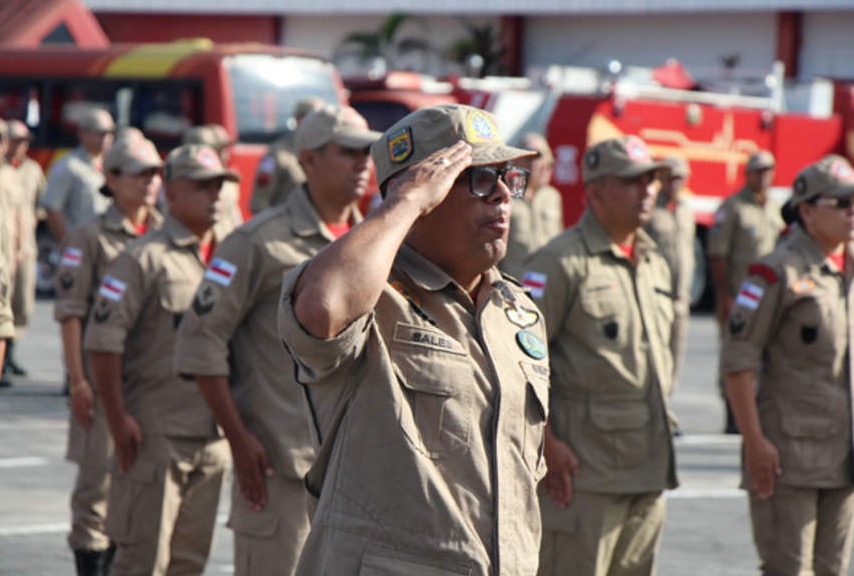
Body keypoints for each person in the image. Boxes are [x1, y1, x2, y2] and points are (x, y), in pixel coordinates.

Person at [278, 103, 549, 575]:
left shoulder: (518, 311)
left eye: (508, 176)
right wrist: (403, 205)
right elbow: (321, 307)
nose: (503, 194)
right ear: (422, 192)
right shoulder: (374, 295)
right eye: (480, 178)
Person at [175, 105, 379, 576]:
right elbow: (200, 343)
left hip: (360, 471)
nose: (362, 162)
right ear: (307, 159)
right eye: (348, 151)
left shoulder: (374, 243)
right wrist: (239, 439)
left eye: (367, 151)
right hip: (282, 474)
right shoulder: (257, 242)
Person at [523, 136, 677, 576]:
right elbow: (517, 364)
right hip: (584, 476)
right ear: (594, 192)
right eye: (632, 181)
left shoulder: (653, 260)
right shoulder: (559, 263)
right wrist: (547, 446)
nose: (647, 190)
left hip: (647, 470)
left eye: (651, 179)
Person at [83, 144, 235, 576]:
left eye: (220, 186)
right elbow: (102, 341)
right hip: (155, 438)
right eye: (202, 186)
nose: (215, 196)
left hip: (213, 437)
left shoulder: (230, 256)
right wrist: (117, 418)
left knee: (189, 564)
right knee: (142, 562)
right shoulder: (140, 259)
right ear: (172, 192)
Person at [722, 155, 854, 576]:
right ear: (808, 211)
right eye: (843, 201)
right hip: (789, 459)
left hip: (844, 457)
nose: (853, 210)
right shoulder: (775, 271)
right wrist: (755, 443)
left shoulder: (848, 269)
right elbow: (738, 362)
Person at [54, 137, 164, 576]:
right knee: (95, 487)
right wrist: (79, 381)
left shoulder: (165, 231)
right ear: (112, 178)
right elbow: (70, 313)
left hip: (150, 382)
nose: (151, 182)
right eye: (140, 173)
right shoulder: (89, 237)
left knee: (138, 486)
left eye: (156, 173)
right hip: (103, 382)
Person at [708, 150, 783, 433]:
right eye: (758, 171)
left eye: (768, 171)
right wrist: (724, 295)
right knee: (735, 354)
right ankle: (732, 414)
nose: (763, 176)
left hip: (769, 299)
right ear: (747, 174)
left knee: (765, 359)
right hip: (740, 298)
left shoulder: (774, 208)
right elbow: (718, 255)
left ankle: (757, 412)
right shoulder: (733, 208)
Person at [644, 156, 696, 381]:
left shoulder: (686, 211)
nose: (674, 183)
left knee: (675, 359)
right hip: (658, 296)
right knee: (654, 358)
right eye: (669, 179)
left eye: (679, 179)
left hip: (681, 298)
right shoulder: (651, 212)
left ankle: (666, 401)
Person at [4, 119, 45, 378]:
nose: (20, 146)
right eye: (14, 140)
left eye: (24, 140)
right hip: (3, 252)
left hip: (23, 249)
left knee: (22, 304)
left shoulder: (32, 170)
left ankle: (11, 353)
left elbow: (39, 206)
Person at [42, 107, 115, 244]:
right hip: (81, 248)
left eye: (110, 133)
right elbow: (52, 209)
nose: (106, 138)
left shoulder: (113, 167)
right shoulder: (68, 166)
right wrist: (66, 244)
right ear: (83, 134)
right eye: (100, 133)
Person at [500, 132, 564, 278]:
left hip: (548, 282)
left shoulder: (552, 196)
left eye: (538, 156)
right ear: (516, 160)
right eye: (528, 157)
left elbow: (560, 239)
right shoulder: (504, 195)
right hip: (513, 282)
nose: (533, 162)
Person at [250, 97, 323, 215]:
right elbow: (259, 202)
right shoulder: (277, 153)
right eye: (314, 120)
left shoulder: (326, 153)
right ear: (299, 119)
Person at [182, 124, 243, 233]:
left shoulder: (229, 184)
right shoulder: (180, 185)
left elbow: (235, 218)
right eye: (218, 149)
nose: (225, 155)